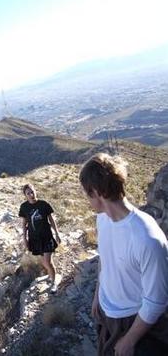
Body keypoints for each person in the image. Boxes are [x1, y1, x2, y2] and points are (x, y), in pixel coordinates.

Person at [79, 152, 168, 356]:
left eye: (87, 193)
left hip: (133, 322)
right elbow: (106, 258)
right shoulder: (102, 219)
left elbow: (156, 302)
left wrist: (129, 340)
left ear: (97, 192)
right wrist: (97, 295)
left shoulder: (147, 238)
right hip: (107, 314)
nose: (86, 200)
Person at [19, 183, 61, 293]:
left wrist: (57, 233)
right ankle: (51, 275)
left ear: (35, 191)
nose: (31, 194)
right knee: (43, 262)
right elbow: (24, 224)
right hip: (34, 239)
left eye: (32, 191)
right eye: (28, 193)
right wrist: (25, 239)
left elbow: (51, 220)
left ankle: (54, 283)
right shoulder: (24, 207)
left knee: (48, 262)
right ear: (25, 195)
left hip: (46, 237)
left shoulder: (43, 204)